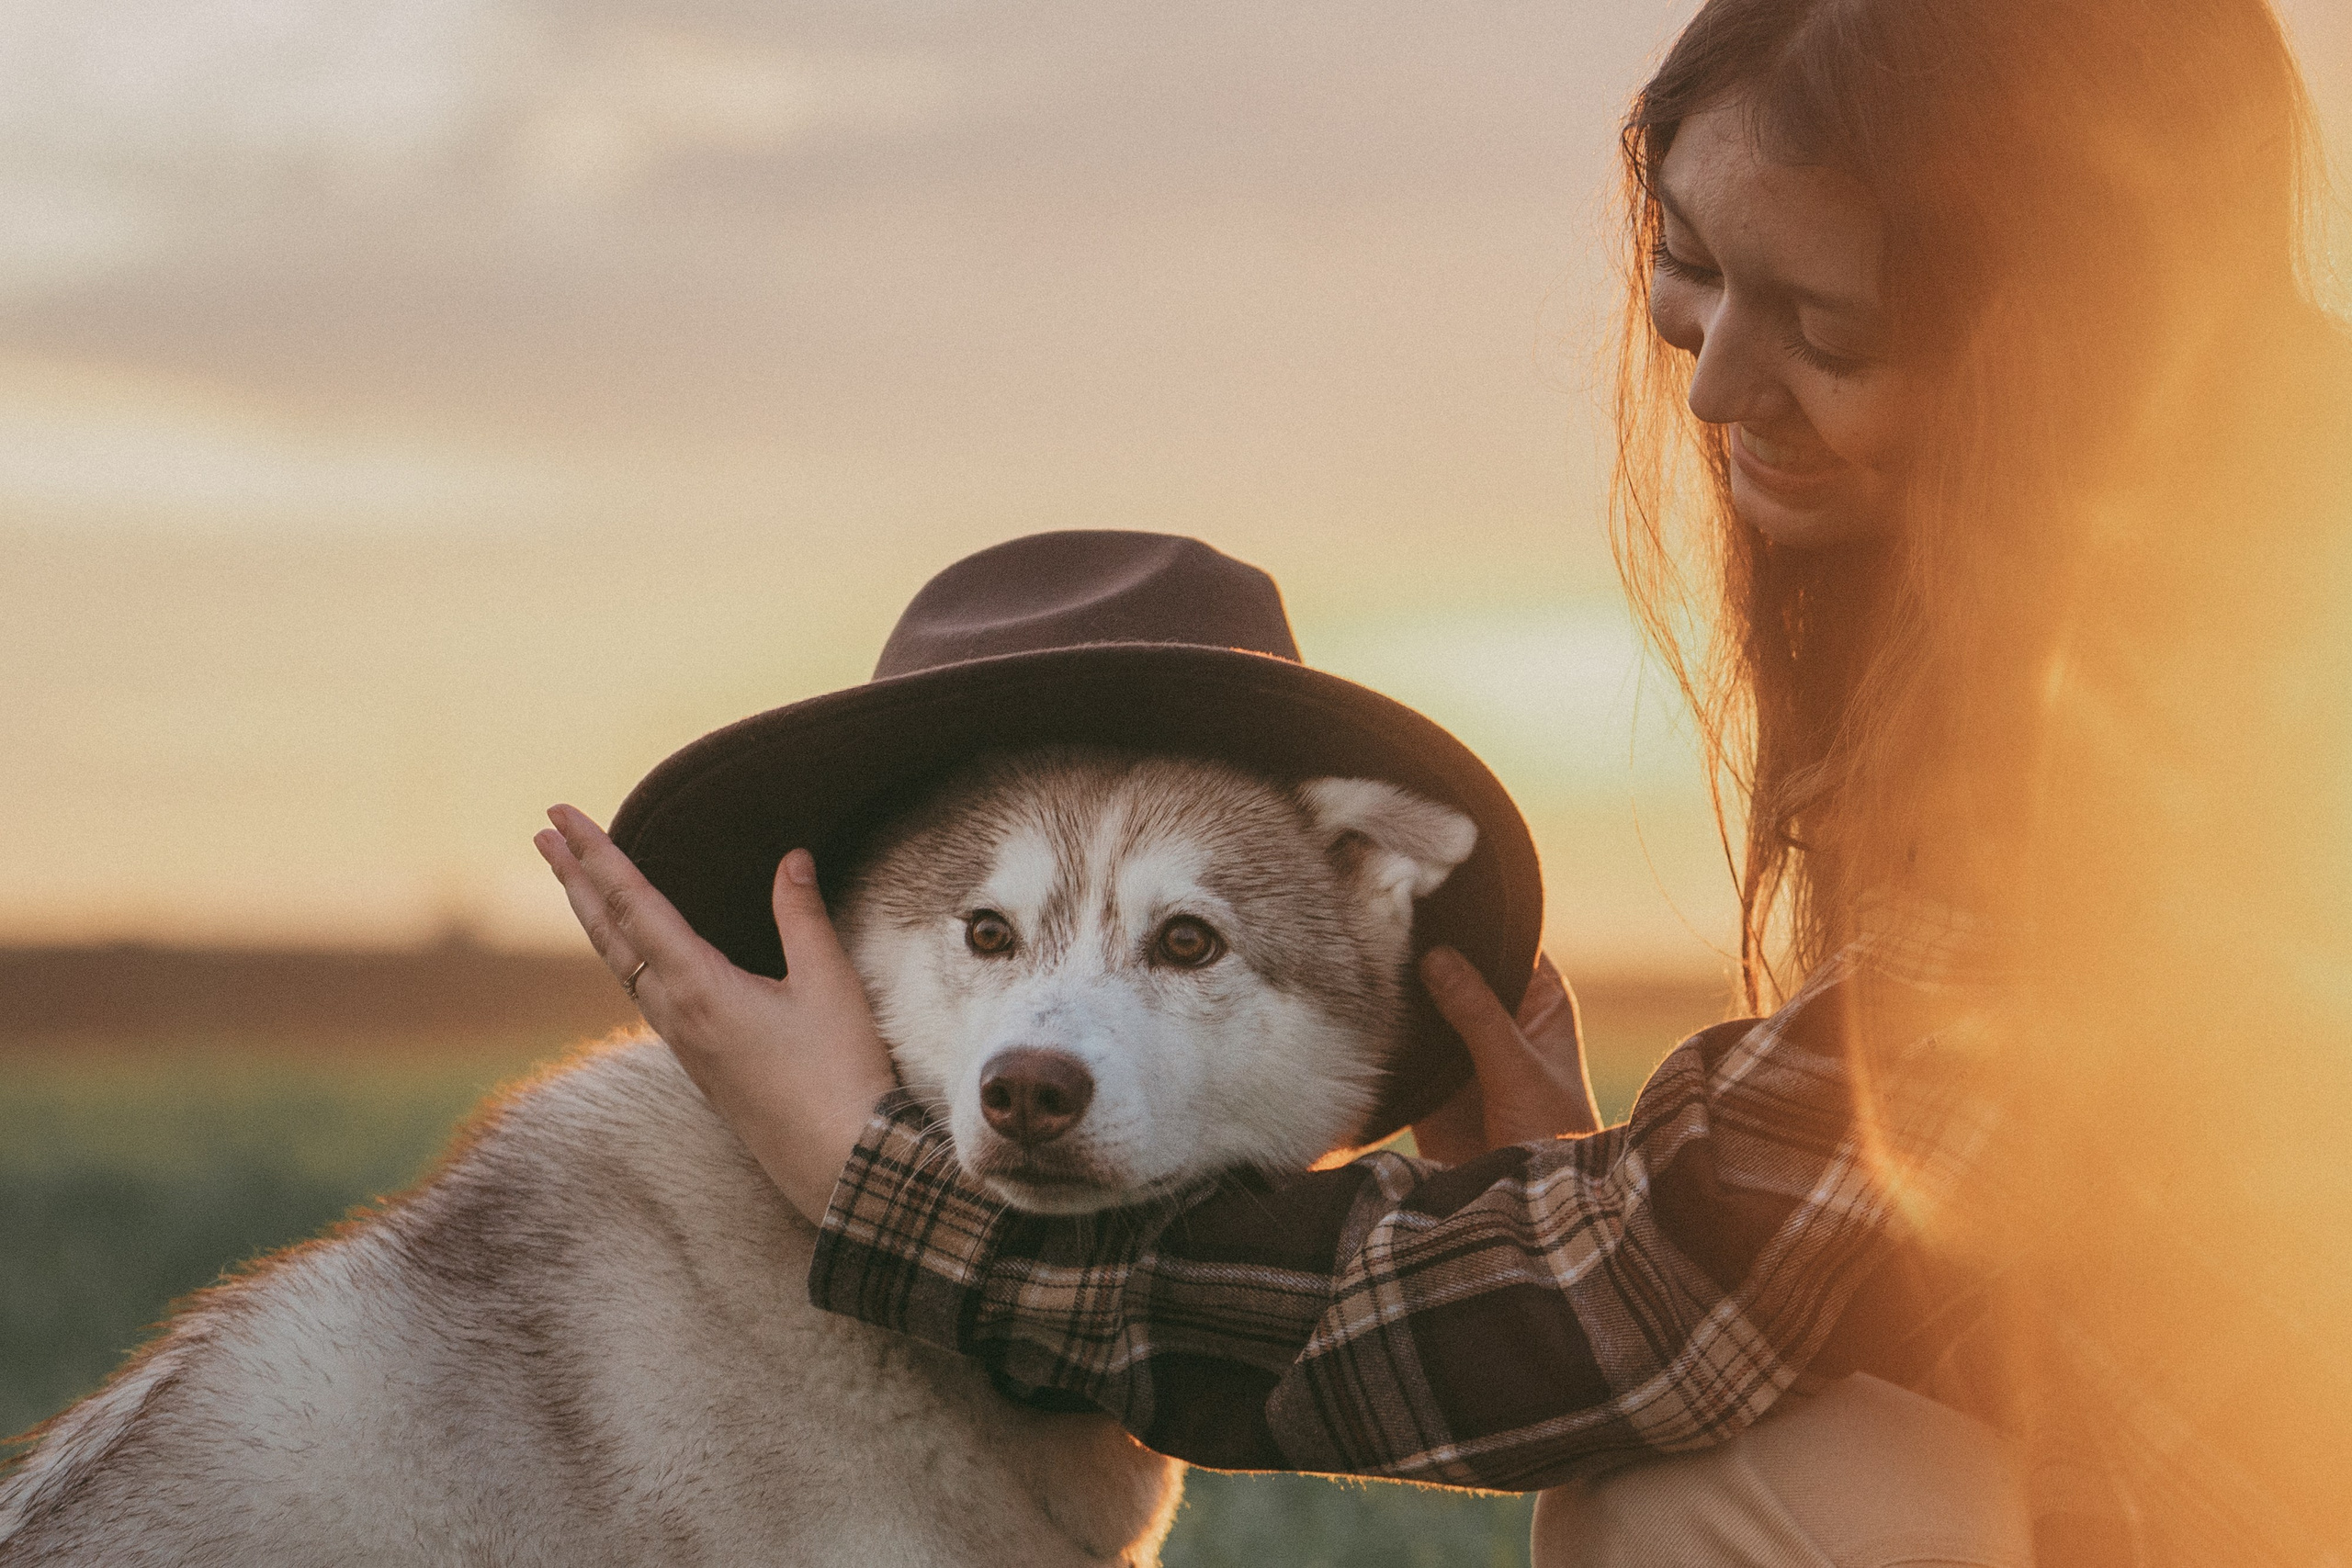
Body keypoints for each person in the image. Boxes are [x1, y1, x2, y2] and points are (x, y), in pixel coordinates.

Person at [536, 0, 2352, 1562]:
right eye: (1689, 279)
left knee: (1688, 1498)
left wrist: (879, 1189)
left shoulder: (2205, 731)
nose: (1713, 387)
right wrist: (1600, 1206)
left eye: (1829, 328)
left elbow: (1647, 1309)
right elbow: (1950, 1255)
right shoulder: (2114, 627)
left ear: (2070, 357)